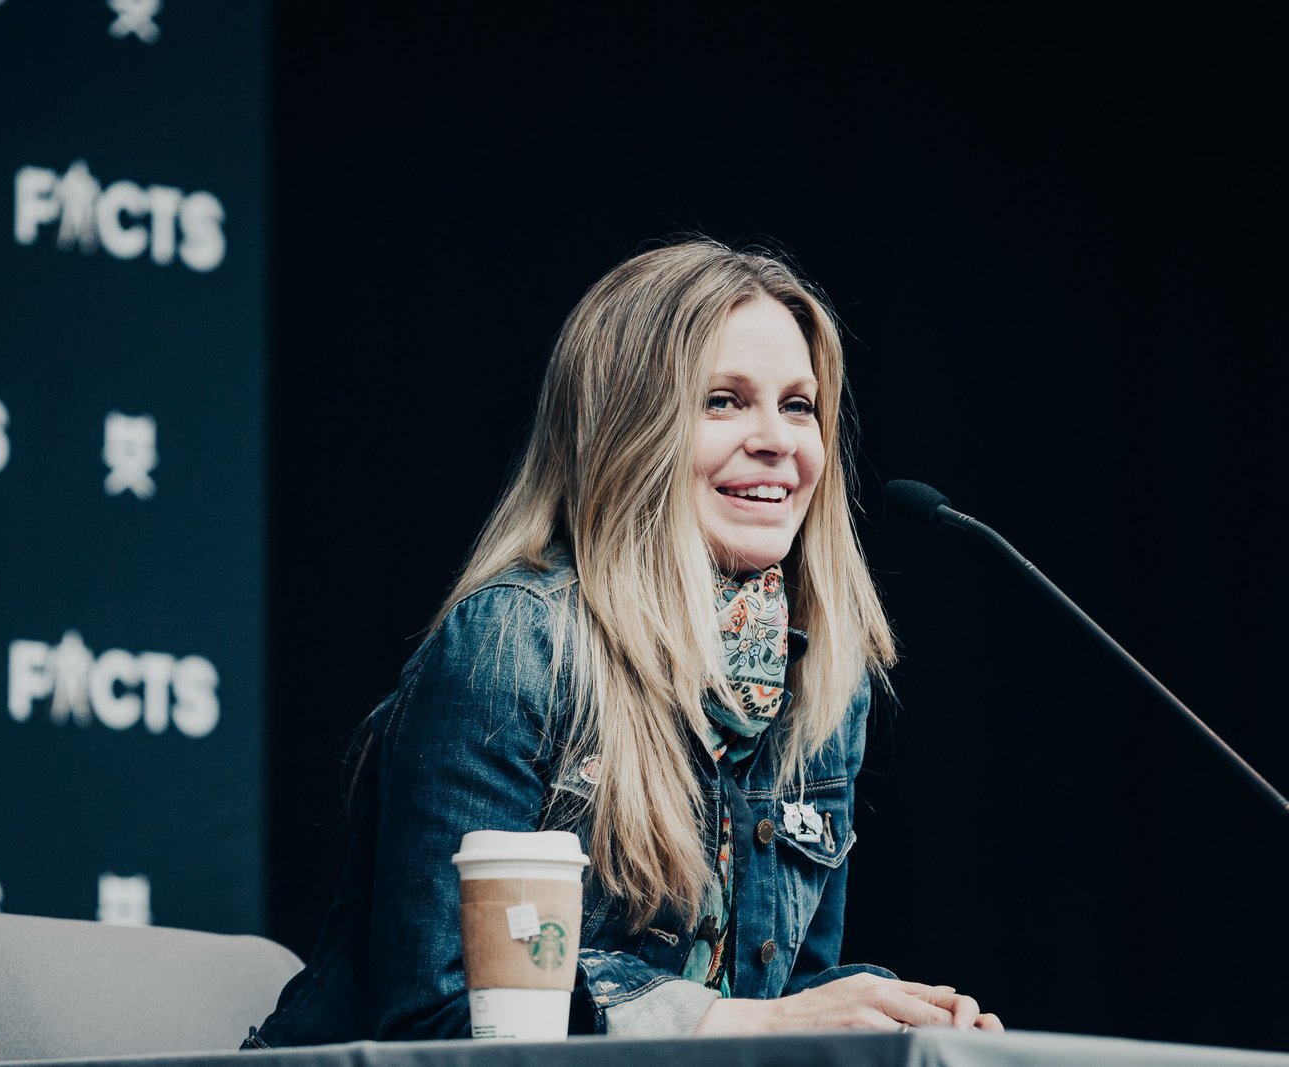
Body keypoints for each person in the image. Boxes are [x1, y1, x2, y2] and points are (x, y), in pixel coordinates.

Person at [247, 238, 1001, 1045]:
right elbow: (442, 1021)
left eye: (797, 405)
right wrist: (762, 1020)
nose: (778, 440)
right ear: (627, 429)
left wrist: (892, 1020)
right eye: (723, 401)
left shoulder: (822, 679)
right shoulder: (514, 642)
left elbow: (779, 997)